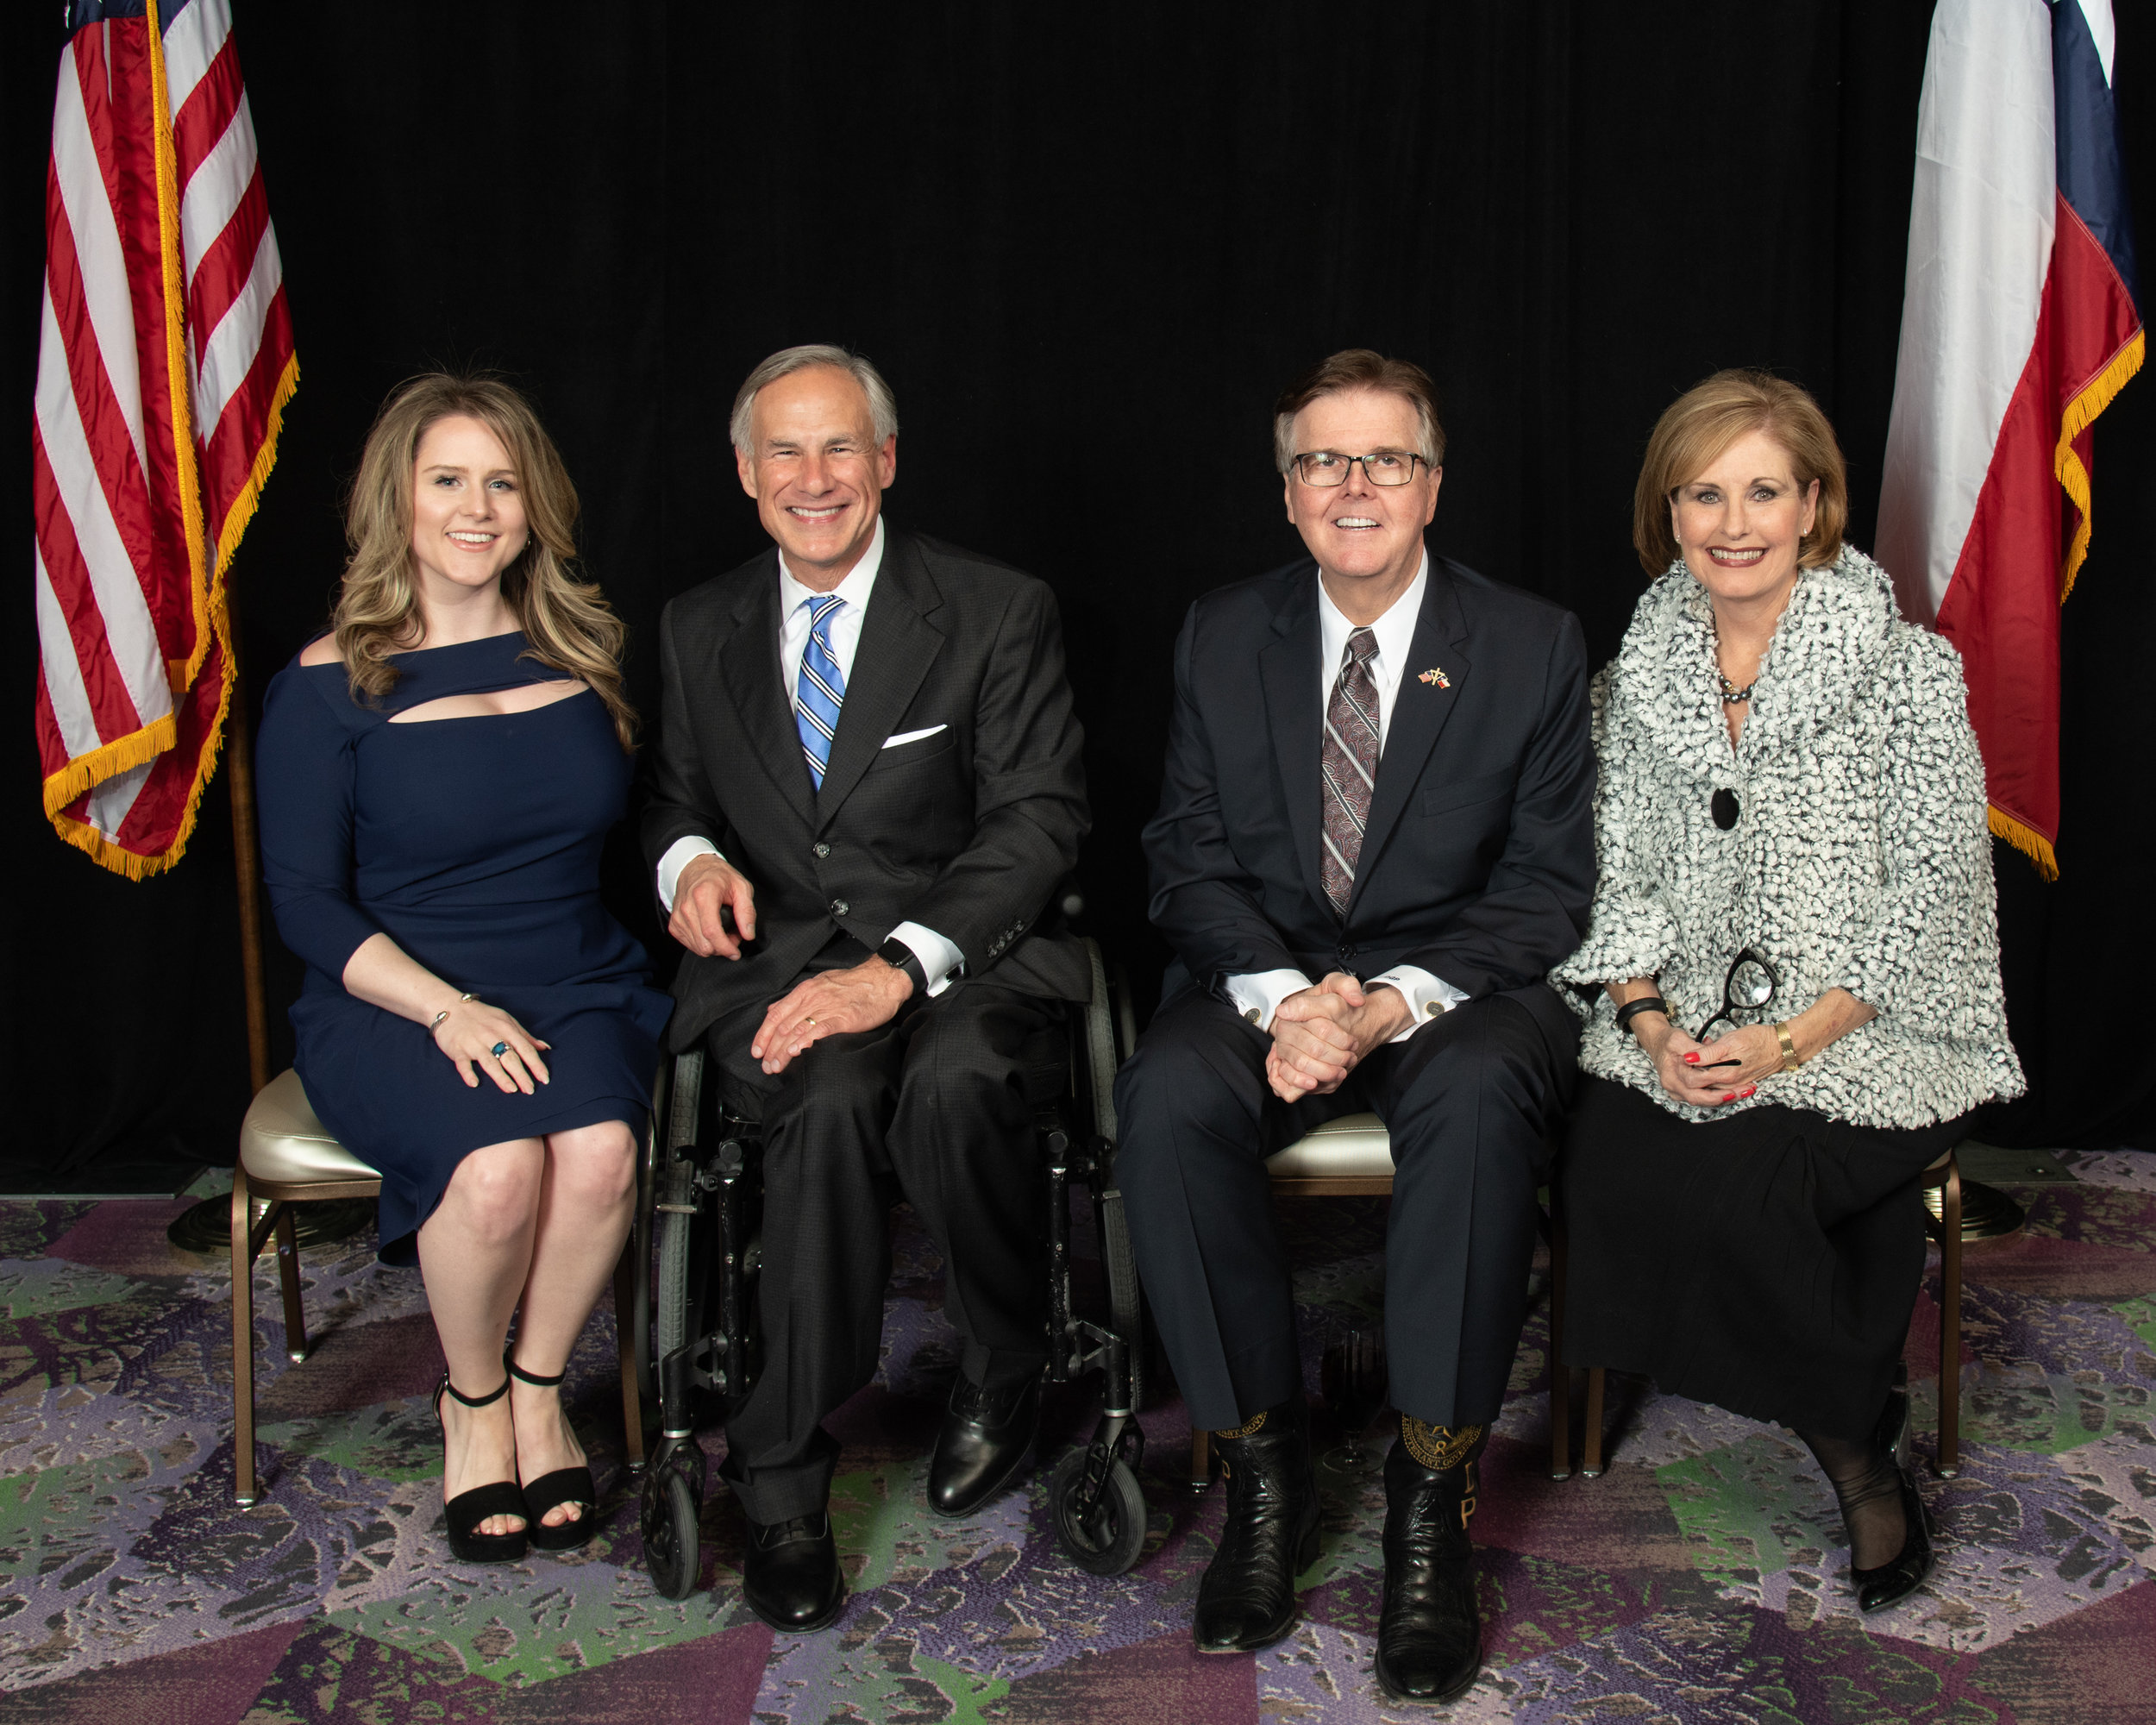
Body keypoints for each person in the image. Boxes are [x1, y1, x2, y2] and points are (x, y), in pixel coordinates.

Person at [1113, 349, 1595, 1703]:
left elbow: (1550, 885)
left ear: (1433, 484)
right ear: (1287, 493)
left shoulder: (1529, 643)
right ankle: (1266, 1474)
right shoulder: (1222, 630)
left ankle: (1428, 1502)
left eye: (1385, 459)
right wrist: (1285, 1004)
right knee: (1163, 1100)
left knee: (1485, 1098)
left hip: (1453, 990)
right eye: (1325, 461)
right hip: (1266, 977)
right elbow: (1185, 858)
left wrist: (1388, 1003)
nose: (1356, 485)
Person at [1551, 369, 2024, 1613]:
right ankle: (1852, 1396)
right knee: (1611, 1160)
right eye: (1703, 492)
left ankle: (1859, 1455)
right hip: (1686, 1020)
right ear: (1670, 510)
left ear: (1816, 506)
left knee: (1756, 1180)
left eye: (1764, 489)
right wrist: (1649, 1024)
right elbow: (1613, 879)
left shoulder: (1910, 672)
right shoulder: (1627, 682)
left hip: (1874, 1028)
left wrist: (1797, 1039)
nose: (1734, 520)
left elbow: (1933, 891)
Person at [642, 344, 1089, 1634]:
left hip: (965, 956)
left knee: (952, 1089)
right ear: (745, 472)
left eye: (841, 447)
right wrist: (687, 862)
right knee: (826, 1102)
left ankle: (1006, 1366)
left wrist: (897, 970)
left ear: (886, 462)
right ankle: (781, 1481)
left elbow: (1039, 821)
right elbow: (673, 797)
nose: (815, 476)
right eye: (786, 450)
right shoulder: (695, 625)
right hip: (782, 966)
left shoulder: (997, 609)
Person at [256, 375, 673, 1565]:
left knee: (599, 1155)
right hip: (396, 997)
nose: (477, 508)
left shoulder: (579, 654)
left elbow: (629, 828)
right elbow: (304, 904)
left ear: (535, 506)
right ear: (399, 499)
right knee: (494, 1171)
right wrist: (446, 1010)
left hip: (578, 978)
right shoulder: (328, 685)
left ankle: (543, 1389)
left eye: (502, 482)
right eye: (448, 480)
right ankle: (476, 1403)